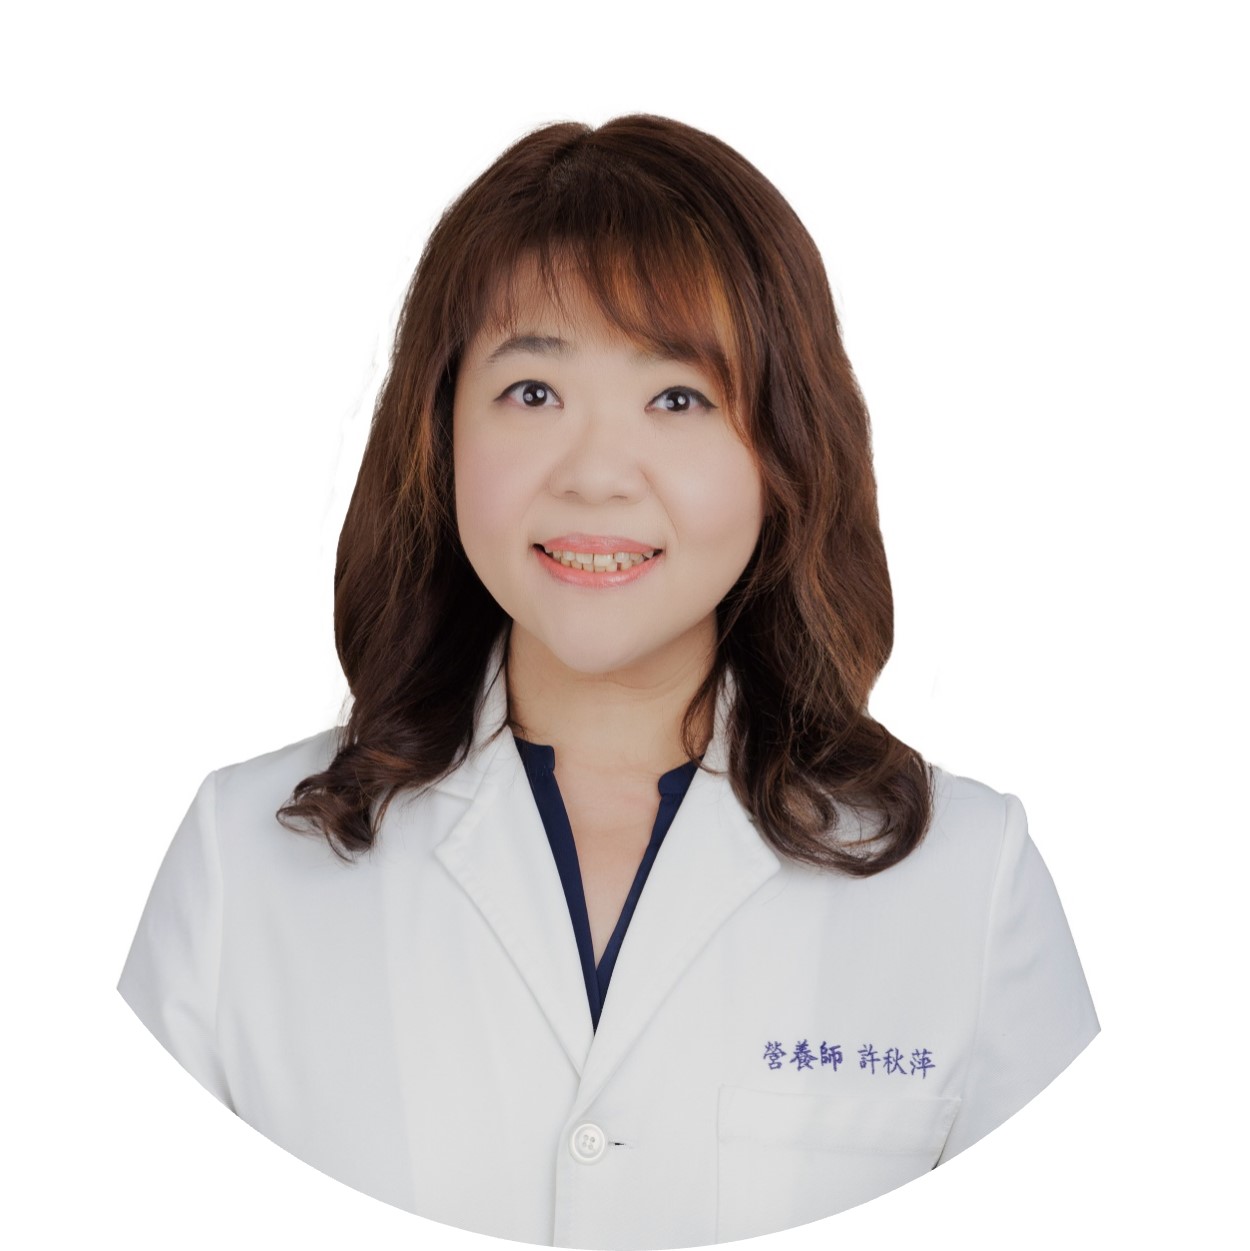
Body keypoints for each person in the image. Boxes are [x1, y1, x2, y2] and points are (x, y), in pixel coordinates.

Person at [118, 114, 1099, 1248]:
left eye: (677, 398)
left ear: (784, 448)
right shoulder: (242, 863)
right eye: (532, 391)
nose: (594, 476)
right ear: (438, 431)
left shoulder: (966, 879)